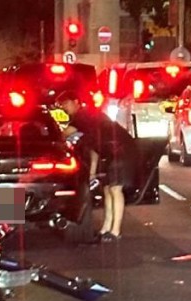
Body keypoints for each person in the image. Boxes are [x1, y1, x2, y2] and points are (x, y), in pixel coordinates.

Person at [59, 90, 139, 242]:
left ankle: (115, 231)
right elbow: (94, 148)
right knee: (108, 189)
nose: (64, 108)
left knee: (115, 189)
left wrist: (51, 137)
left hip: (120, 150)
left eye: (65, 104)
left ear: (76, 102)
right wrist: (93, 172)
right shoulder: (88, 119)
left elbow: (65, 134)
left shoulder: (83, 116)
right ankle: (106, 228)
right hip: (112, 151)